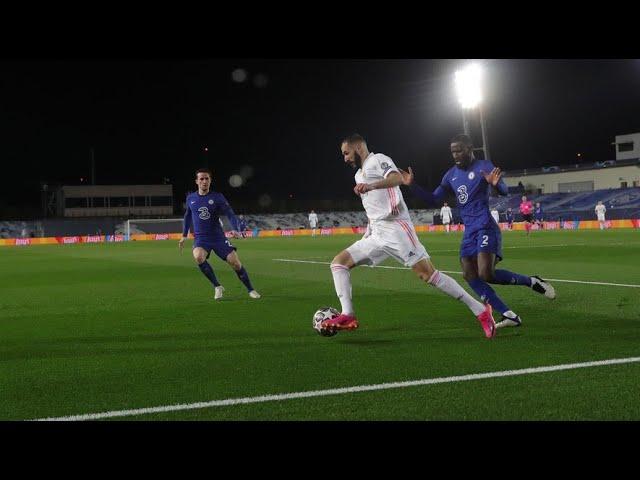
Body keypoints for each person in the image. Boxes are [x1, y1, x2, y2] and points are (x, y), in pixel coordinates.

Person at [321, 133, 496, 338]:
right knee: (338, 264)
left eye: (346, 153)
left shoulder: (378, 160)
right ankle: (348, 314)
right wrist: (369, 227)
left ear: (358, 147)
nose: (345, 158)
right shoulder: (358, 175)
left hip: (397, 230)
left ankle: (481, 311)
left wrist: (371, 185)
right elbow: (375, 204)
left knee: (428, 275)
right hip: (376, 234)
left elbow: (395, 178)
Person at [398, 134, 556, 329]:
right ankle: (509, 315)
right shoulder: (450, 176)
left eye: (459, 150)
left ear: (470, 149)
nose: (455, 155)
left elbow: (504, 191)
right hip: (470, 232)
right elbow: (433, 199)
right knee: (469, 274)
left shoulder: (484, 166)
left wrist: (496, 184)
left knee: (486, 274)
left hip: (485, 226)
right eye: (453, 152)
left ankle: (532, 281)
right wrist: (411, 185)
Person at [179, 168, 261, 300]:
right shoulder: (191, 198)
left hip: (217, 237)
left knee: (235, 263)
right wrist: (184, 235)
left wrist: (235, 229)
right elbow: (187, 216)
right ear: (196, 181)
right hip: (201, 238)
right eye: (201, 179)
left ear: (210, 180)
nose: (204, 181)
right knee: (199, 257)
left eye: (207, 178)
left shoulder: (217, 197)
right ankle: (217, 286)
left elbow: (229, 213)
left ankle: (251, 289)